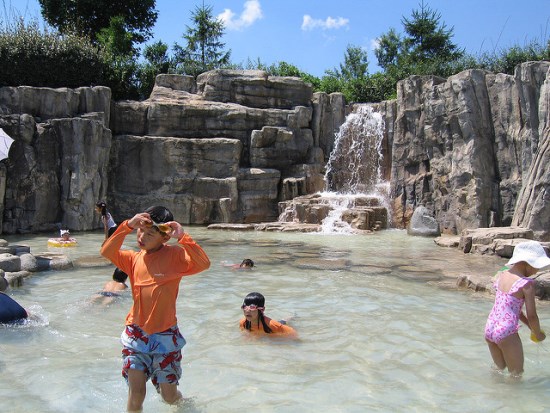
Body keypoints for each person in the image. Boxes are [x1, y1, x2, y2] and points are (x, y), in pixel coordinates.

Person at [100, 205, 210, 411]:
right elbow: (106, 250)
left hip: (166, 337)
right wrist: (127, 225)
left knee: (169, 397)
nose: (142, 237)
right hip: (136, 335)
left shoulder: (175, 256)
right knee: (137, 393)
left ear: (165, 238)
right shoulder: (133, 259)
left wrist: (184, 238)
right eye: (141, 230)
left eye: (150, 234)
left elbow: (203, 264)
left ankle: (185, 405)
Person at [484, 241, 550, 377]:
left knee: (499, 369)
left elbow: (513, 309)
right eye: (537, 266)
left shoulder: (502, 274)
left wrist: (529, 327)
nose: (537, 270)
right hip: (506, 332)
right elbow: (532, 316)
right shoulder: (526, 284)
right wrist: (537, 334)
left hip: (490, 328)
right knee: (516, 374)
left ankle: (493, 394)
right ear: (528, 263)